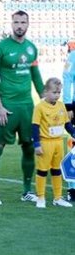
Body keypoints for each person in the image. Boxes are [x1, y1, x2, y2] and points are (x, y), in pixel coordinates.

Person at [0, 10, 44, 205]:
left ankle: (27, 191)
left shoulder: (31, 48)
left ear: (28, 24)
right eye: (17, 22)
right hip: (7, 107)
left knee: (29, 147)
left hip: (27, 107)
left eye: (23, 22)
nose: (20, 25)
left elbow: (35, 75)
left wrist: (45, 99)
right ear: (11, 23)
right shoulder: (0, 48)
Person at [32, 78, 75, 208]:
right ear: (46, 92)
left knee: (57, 171)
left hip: (58, 142)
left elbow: (67, 123)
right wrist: (37, 144)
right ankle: (40, 197)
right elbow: (35, 126)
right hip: (45, 143)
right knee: (42, 171)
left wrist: (73, 133)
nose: (57, 95)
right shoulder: (39, 107)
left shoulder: (61, 105)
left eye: (59, 92)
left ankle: (58, 197)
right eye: (54, 92)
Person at [62, 42, 75, 200]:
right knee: (73, 146)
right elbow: (67, 79)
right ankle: (72, 188)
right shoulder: (72, 56)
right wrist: (68, 105)